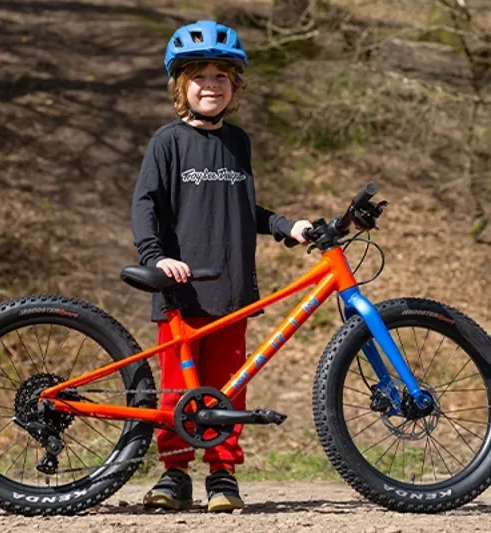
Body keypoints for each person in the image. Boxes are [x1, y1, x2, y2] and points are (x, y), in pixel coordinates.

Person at [131, 20, 312, 512]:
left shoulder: (239, 142)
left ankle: (223, 475)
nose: (211, 84)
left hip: (232, 291)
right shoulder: (167, 141)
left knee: (228, 390)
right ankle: (174, 473)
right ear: (180, 85)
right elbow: (145, 204)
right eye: (199, 76)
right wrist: (155, 257)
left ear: (235, 86)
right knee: (177, 390)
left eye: (221, 76)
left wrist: (287, 226)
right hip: (181, 289)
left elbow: (243, 209)